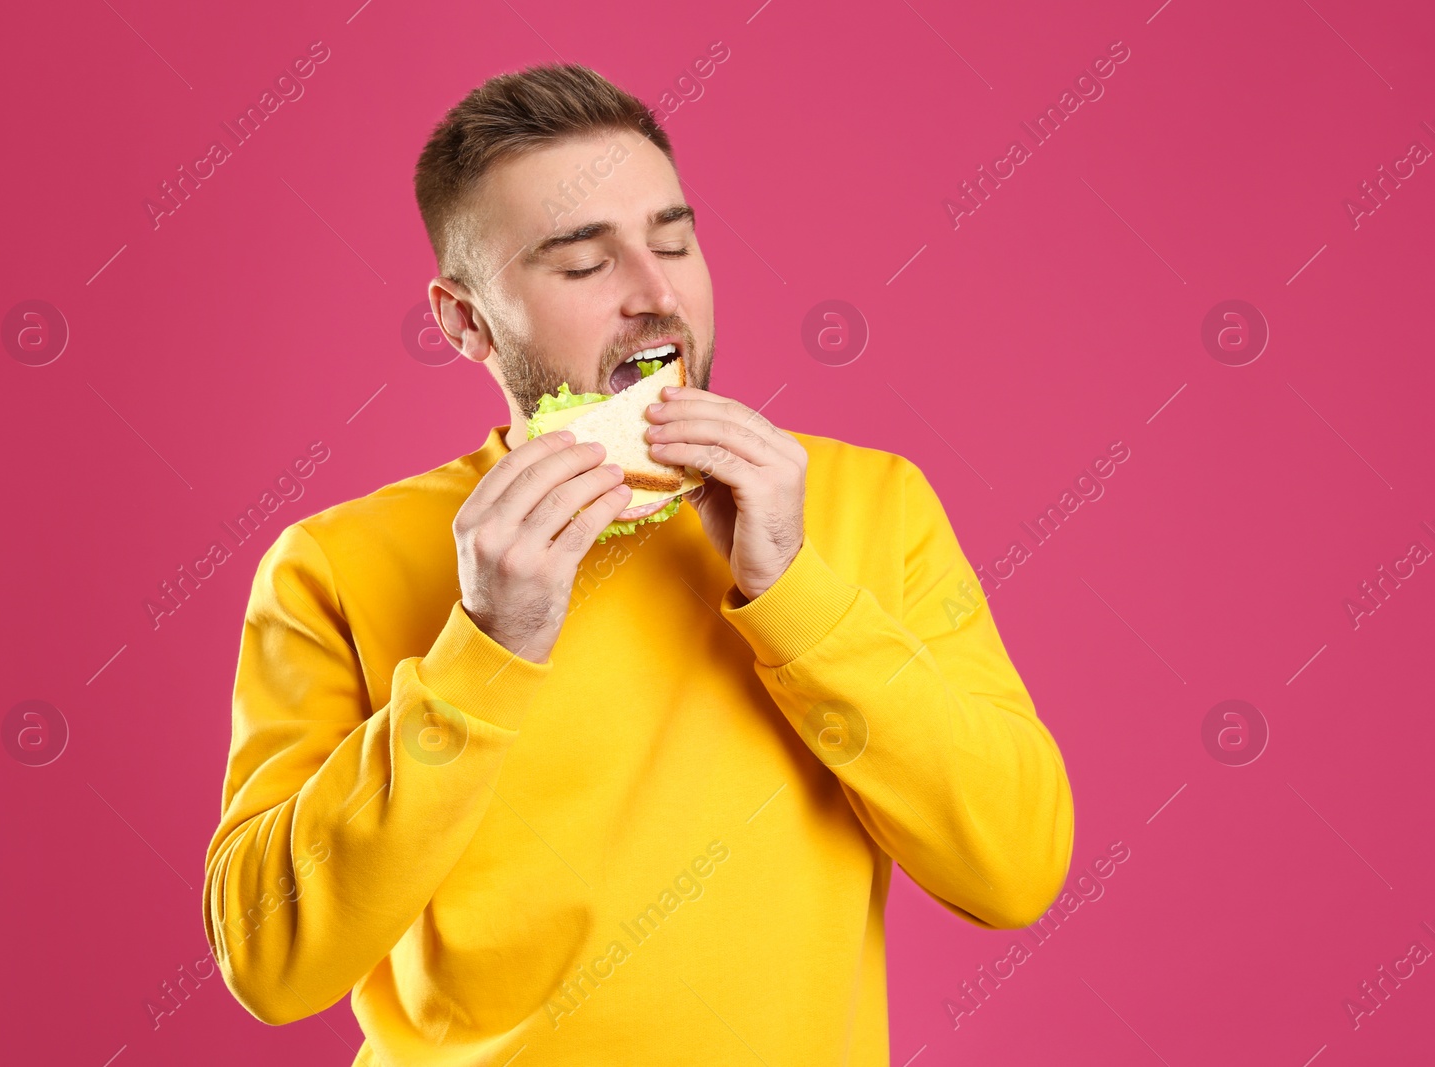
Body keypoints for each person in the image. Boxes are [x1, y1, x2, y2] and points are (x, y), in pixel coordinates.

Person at [202, 63, 1074, 1066]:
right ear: (465, 321)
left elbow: (1015, 869)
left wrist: (793, 589)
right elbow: (268, 962)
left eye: (674, 241)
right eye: (583, 266)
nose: (657, 294)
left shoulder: (868, 504)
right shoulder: (336, 561)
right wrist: (486, 646)